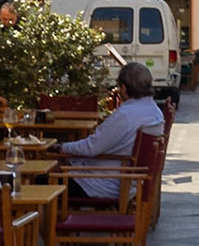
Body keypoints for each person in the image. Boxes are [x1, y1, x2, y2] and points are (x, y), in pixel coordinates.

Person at [56, 62, 165, 202]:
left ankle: (48, 222)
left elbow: (91, 147)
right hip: (128, 182)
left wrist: (62, 147)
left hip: (101, 184)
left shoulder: (126, 115)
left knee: (42, 183)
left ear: (124, 88)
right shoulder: (155, 112)